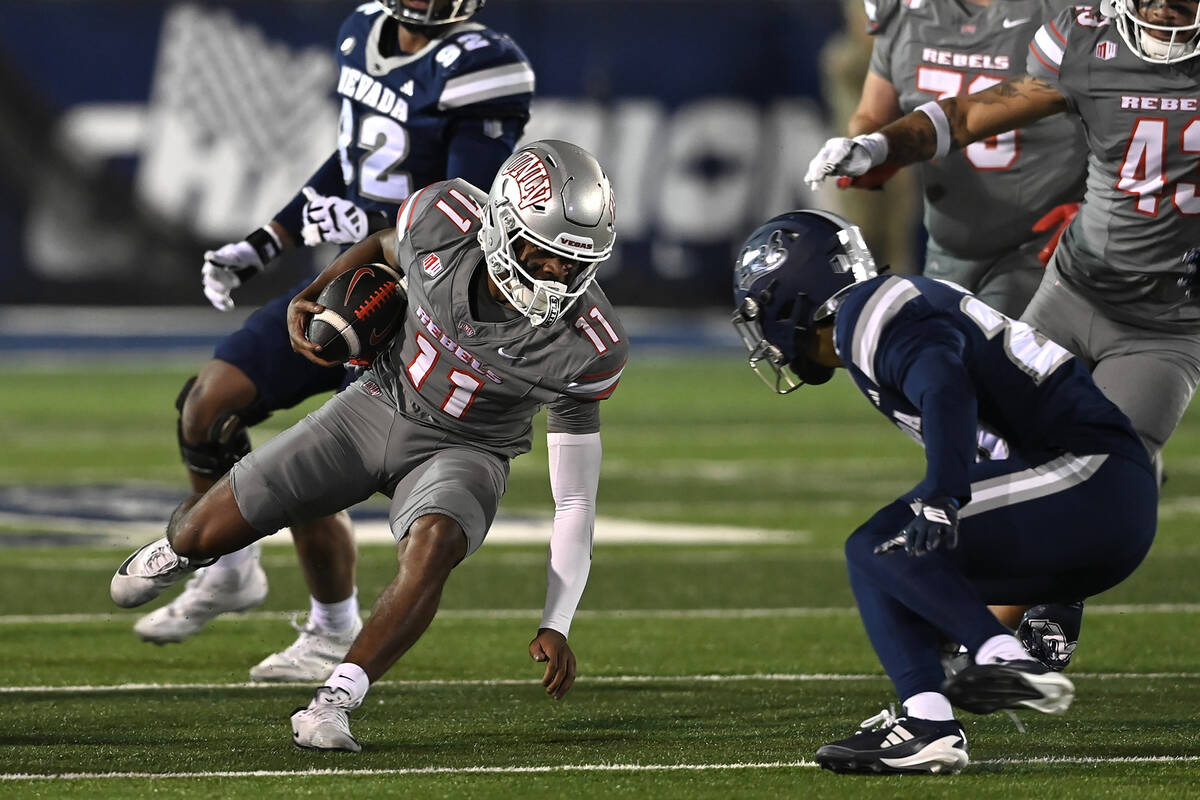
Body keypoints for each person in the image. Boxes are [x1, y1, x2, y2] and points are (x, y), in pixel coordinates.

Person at [112, 139, 625, 752]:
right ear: (497, 225)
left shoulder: (590, 345)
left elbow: (576, 501)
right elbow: (385, 245)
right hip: (372, 407)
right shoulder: (442, 219)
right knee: (197, 534)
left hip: (466, 452)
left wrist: (556, 621)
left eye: (573, 263)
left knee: (435, 544)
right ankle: (182, 551)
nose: (556, 275)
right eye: (541, 254)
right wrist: (316, 289)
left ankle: (336, 700)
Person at [135, 0, 535, 687]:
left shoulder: (484, 65)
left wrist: (364, 235)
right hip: (354, 279)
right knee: (208, 404)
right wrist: (267, 241)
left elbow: (466, 214)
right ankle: (230, 571)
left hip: (416, 300)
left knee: (322, 464)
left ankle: (331, 626)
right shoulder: (361, 31)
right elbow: (352, 159)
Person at [805, 0, 1200, 669]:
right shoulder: (1086, 38)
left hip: (1165, 327)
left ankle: (1009, 630)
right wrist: (882, 143)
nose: (1161, 8)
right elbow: (969, 115)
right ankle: (979, 637)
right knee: (997, 445)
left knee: (1107, 477)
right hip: (1072, 291)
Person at [731, 209, 1156, 774]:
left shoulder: (866, 313)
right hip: (1087, 493)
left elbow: (944, 384)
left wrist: (943, 493)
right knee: (884, 560)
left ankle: (1003, 658)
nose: (763, 334)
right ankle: (928, 723)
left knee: (881, 544)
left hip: (1088, 474)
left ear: (792, 298)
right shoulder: (884, 309)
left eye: (762, 311)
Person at [845, 0, 1087, 318]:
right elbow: (873, 114)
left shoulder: (1073, 14)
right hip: (948, 250)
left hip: (1040, 249)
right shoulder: (906, 10)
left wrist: (1099, 212)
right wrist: (870, 150)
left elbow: (1134, 114)